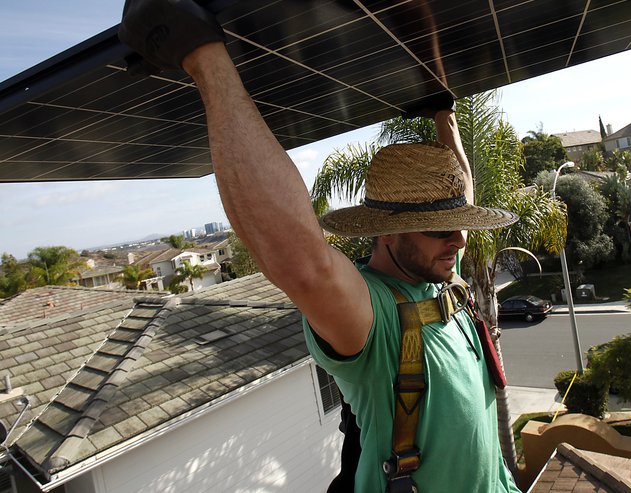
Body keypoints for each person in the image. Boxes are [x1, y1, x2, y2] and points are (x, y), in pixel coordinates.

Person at [118, 1, 522, 492]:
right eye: (441, 230)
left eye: (458, 226)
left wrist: (444, 118)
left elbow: (462, 201)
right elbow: (303, 264)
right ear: (387, 231)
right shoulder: (371, 314)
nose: (459, 240)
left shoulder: (438, 270)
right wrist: (203, 57)